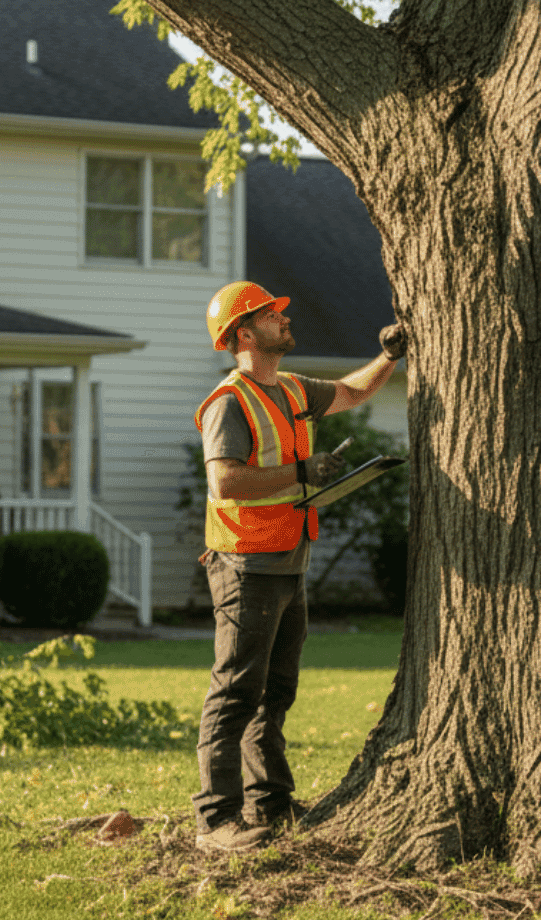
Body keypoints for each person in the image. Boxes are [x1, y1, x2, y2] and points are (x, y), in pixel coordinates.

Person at [191, 279, 407, 852]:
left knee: (275, 691)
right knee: (236, 691)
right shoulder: (230, 402)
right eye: (269, 315)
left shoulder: (289, 389)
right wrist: (303, 473)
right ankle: (216, 821)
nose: (283, 320)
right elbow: (226, 480)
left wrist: (388, 356)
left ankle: (270, 805)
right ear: (242, 334)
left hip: (287, 560)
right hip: (245, 564)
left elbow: (352, 394)